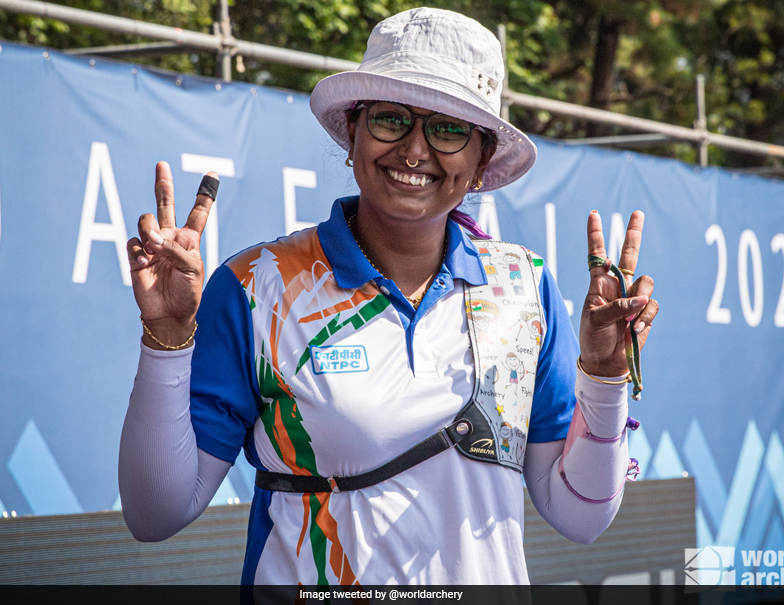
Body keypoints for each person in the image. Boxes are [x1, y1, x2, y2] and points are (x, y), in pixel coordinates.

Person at [119, 7, 658, 587]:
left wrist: (604, 378)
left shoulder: (524, 287)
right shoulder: (257, 286)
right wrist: (168, 339)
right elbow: (156, 514)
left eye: (449, 128)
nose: (416, 150)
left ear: (480, 163)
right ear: (352, 133)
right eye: (392, 119)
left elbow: (579, 516)